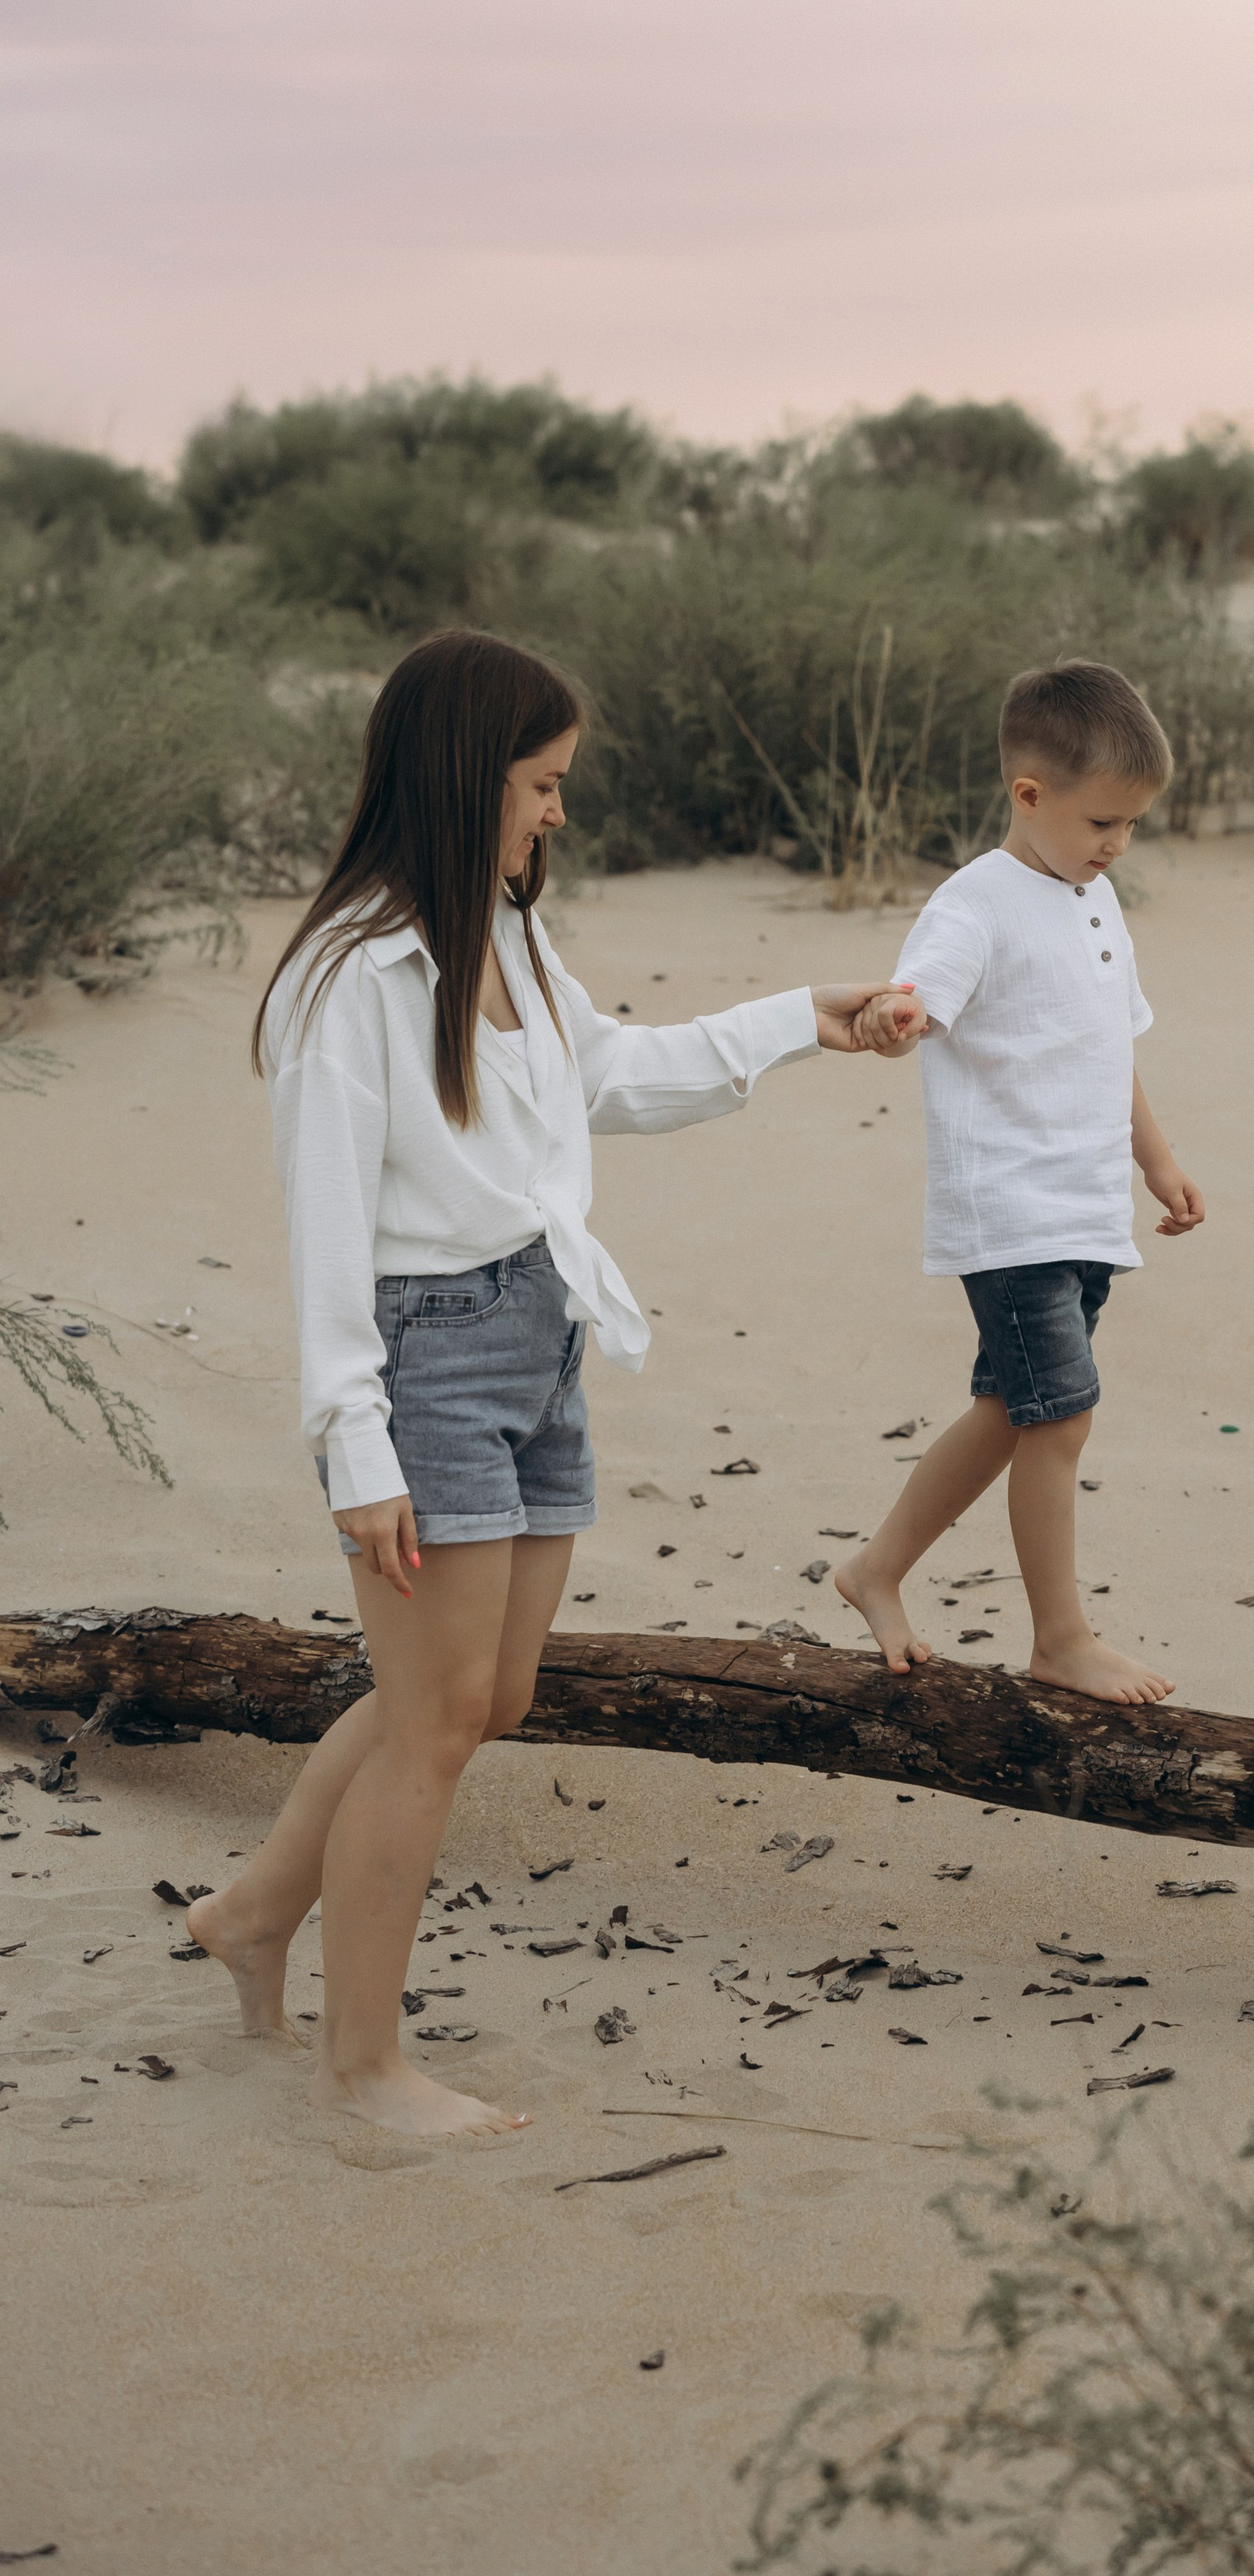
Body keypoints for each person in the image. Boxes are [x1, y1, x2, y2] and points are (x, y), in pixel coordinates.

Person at [188, 629, 902, 2139]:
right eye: (541, 784)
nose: (556, 815)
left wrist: (802, 1022)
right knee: (434, 1716)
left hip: (543, 1328)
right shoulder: (350, 978)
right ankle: (361, 2070)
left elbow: (612, 1075)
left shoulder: (504, 936)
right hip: (419, 1358)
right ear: (468, 777)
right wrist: (354, 1441)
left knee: (481, 1698)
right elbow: (323, 1233)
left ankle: (254, 1915)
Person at [836, 658, 1204, 1703]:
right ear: (1029, 796)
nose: (1117, 843)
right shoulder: (975, 906)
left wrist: (1158, 1160)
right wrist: (895, 1020)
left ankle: (874, 1569)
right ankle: (1059, 1638)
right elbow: (918, 1006)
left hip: (1082, 1208)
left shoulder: (1096, 898)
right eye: (1102, 822)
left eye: (1132, 824)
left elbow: (1110, 1045)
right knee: (1060, 1417)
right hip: (1010, 1213)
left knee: (1013, 1409)